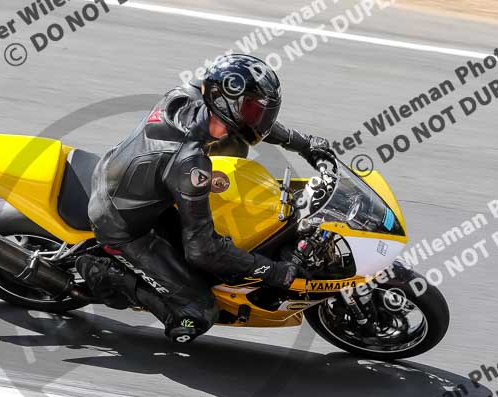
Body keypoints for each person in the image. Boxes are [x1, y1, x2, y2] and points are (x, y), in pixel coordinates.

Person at [77, 54, 335, 344]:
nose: (261, 117)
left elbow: (248, 126)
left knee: (235, 145)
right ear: (224, 102)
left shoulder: (190, 95)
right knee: (199, 311)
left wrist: (303, 144)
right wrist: (273, 272)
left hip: (129, 177)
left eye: (262, 109)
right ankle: (108, 274)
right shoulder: (191, 165)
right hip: (122, 223)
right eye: (253, 109)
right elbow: (202, 250)